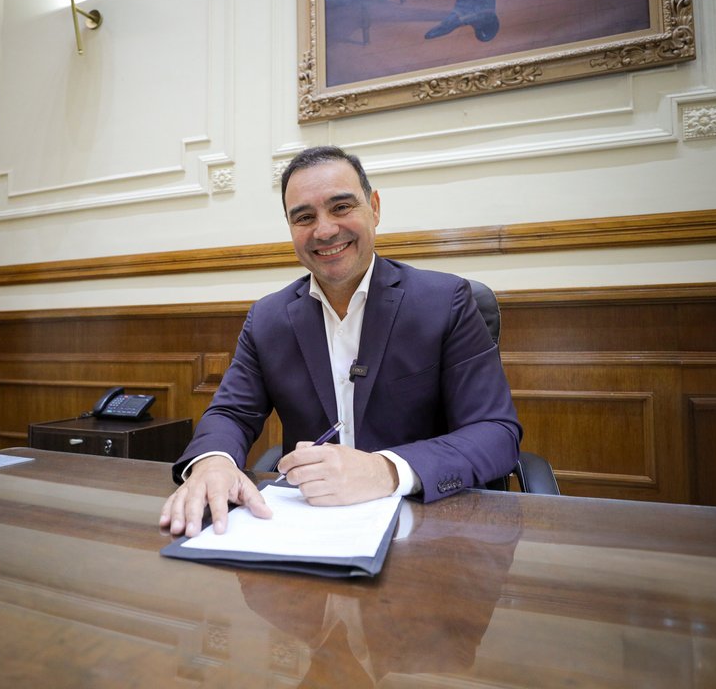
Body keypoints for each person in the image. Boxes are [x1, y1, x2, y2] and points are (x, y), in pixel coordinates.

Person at [159, 146, 521, 537]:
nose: (325, 230)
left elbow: (495, 432)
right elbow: (230, 413)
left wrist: (384, 470)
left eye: (341, 207)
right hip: (308, 526)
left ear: (374, 208)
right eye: (304, 217)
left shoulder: (445, 301)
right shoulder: (268, 318)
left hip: (429, 526)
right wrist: (213, 462)